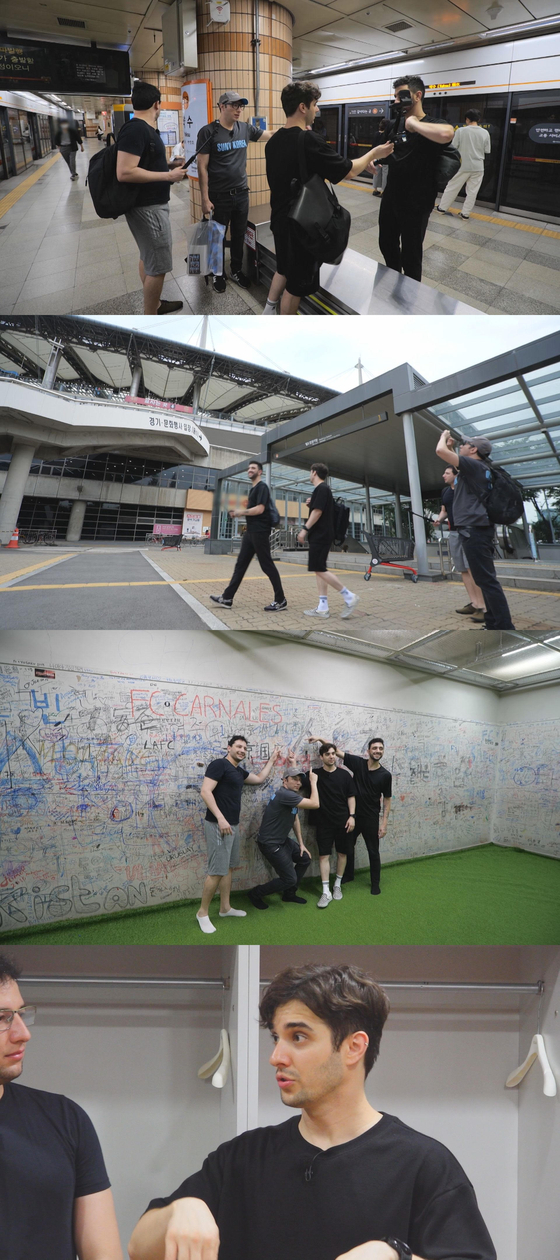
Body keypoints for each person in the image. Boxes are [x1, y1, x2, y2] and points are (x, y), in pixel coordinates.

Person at [128, 962, 496, 1260]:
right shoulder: (242, 1158)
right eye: (276, 1037)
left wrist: (395, 1256)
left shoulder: (425, 1164)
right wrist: (182, 1209)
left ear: (354, 1047)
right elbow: (138, 1246)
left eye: (298, 1037)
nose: (276, 1057)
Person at [0, 952, 123, 1260]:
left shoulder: (66, 1119)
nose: (23, 1034)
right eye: (2, 1019)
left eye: (20, 1014)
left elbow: (103, 1254)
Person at [263, 82, 394, 315]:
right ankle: (284, 336)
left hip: (280, 220)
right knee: (295, 287)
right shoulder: (308, 140)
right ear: (303, 107)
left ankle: (268, 309)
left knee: (283, 268)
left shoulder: (273, 141)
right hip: (301, 227)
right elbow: (348, 170)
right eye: (315, 105)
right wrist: (374, 153)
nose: (318, 110)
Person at [116, 81, 187, 315]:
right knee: (159, 266)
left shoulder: (143, 129)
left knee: (148, 257)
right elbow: (125, 171)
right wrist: (169, 175)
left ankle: (155, 304)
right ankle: (151, 317)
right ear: (157, 104)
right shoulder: (136, 129)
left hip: (149, 206)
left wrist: (170, 165)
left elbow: (143, 163)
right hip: (148, 208)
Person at [197, 734, 279, 933]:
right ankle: (202, 913)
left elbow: (259, 779)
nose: (242, 750)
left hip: (231, 825)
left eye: (244, 748)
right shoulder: (219, 764)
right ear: (229, 747)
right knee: (216, 871)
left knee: (229, 868)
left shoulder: (238, 771)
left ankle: (225, 908)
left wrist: (272, 760)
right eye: (238, 746)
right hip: (219, 825)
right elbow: (205, 792)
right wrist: (221, 818)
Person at [435, 431, 515, 631]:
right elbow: (456, 464)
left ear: (474, 450)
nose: (462, 446)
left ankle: (504, 627)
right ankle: (493, 622)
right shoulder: (478, 468)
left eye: (465, 444)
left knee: (486, 580)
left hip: (475, 530)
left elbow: (439, 451)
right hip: (477, 529)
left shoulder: (474, 465)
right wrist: (453, 447)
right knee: (483, 578)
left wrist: (444, 438)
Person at [378, 76, 454, 282]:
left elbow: (447, 134)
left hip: (417, 201)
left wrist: (415, 124)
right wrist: (373, 161)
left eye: (400, 95)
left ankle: (410, 295)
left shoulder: (433, 124)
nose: (396, 101)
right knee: (386, 243)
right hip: (391, 196)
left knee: (411, 252)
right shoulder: (394, 125)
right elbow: (384, 151)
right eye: (394, 96)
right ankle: (393, 280)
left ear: (417, 95)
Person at [196, 92, 273, 294]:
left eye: (241, 106)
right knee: (217, 236)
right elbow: (202, 166)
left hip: (241, 193)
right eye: (234, 105)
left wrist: (295, 129)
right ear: (222, 106)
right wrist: (204, 198)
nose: (239, 109)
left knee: (239, 235)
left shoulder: (245, 129)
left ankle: (236, 270)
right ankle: (218, 273)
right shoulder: (208, 132)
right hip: (218, 195)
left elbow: (270, 135)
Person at [310, 735, 391, 893]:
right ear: (368, 750)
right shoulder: (358, 763)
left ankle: (375, 883)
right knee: (347, 848)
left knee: (373, 851)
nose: (377, 751)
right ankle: (348, 875)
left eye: (380, 748)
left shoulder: (385, 775)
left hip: (370, 818)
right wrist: (320, 739)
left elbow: (387, 799)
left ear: (383, 751)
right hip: (351, 816)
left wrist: (384, 823)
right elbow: (335, 752)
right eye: (374, 748)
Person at [210, 460, 287, 612]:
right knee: (240, 565)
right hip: (250, 532)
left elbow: (259, 509)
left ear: (260, 472)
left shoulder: (262, 487)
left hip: (260, 531)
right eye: (249, 468)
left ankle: (281, 600)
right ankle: (227, 598)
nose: (249, 470)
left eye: (253, 468)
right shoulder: (252, 490)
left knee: (267, 565)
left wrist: (240, 512)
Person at [248, 766, 319, 910]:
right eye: (294, 779)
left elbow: (294, 818)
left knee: (304, 858)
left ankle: (289, 894)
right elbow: (315, 804)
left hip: (281, 840)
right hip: (270, 843)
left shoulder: (290, 795)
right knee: (289, 878)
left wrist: (301, 844)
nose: (298, 783)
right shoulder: (285, 795)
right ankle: (255, 893)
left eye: (300, 780)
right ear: (285, 780)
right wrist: (313, 783)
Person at [299, 462, 358, 619]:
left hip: (320, 535)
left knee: (319, 569)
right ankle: (323, 607)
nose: (309, 474)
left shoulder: (322, 489)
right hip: (322, 534)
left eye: (310, 472)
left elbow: (318, 512)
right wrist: (311, 504)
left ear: (314, 473)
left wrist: (304, 530)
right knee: (320, 569)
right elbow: (321, 509)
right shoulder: (322, 490)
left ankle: (349, 597)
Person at [434, 464, 486, 622]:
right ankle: (474, 603)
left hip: (468, 531)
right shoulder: (445, 491)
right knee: (463, 569)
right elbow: (444, 510)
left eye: (447, 472)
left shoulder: (464, 488)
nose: (444, 475)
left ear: (457, 475)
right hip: (454, 532)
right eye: (444, 472)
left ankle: (483, 607)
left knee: (472, 569)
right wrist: (439, 519)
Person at [310, 742, 356, 908]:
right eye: (328, 754)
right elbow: (296, 781)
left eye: (333, 753)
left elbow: (351, 797)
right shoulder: (314, 774)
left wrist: (352, 816)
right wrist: (293, 763)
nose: (331, 756)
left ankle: (337, 885)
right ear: (321, 757)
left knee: (342, 854)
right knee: (323, 856)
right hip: (323, 823)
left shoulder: (345, 776)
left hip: (343, 821)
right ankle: (325, 891)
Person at [436, 110, 491, 221]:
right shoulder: (485, 133)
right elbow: (487, 150)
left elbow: (454, 147)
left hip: (463, 165)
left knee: (452, 187)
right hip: (478, 167)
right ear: (478, 120)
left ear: (467, 119)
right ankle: (465, 214)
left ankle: (442, 208)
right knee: (472, 191)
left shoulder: (461, 131)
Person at [371, 118, 389, 197]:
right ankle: (383, 191)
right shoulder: (387, 135)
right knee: (385, 172)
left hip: (376, 156)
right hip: (385, 156)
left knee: (376, 172)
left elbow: (373, 146)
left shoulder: (375, 134)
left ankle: (375, 190)